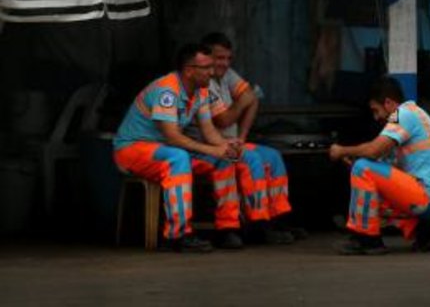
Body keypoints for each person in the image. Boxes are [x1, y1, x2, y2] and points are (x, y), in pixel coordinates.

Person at [113, 42, 244, 252]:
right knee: (178, 158)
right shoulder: (167, 89)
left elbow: (209, 131)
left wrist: (225, 146)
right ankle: (178, 234)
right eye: (206, 68)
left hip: (164, 148)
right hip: (132, 149)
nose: (212, 72)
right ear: (189, 71)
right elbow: (173, 137)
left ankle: (227, 228)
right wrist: (212, 149)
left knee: (223, 160)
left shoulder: (201, 90)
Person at [329, 75, 430, 255]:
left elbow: (373, 151)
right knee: (366, 177)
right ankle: (425, 228)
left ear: (388, 103)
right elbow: (384, 171)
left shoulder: (401, 114)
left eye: (376, 110)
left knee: (363, 168)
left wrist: (341, 150)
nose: (376, 117)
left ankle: (366, 239)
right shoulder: (414, 114)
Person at [200, 31, 295, 245]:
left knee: (273, 156)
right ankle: (257, 224)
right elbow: (224, 119)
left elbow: (253, 100)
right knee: (253, 160)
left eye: (228, 58)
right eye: (219, 58)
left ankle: (277, 219)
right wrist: (243, 101)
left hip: (233, 142)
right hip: (212, 146)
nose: (224, 63)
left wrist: (242, 136)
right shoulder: (204, 82)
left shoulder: (227, 74)